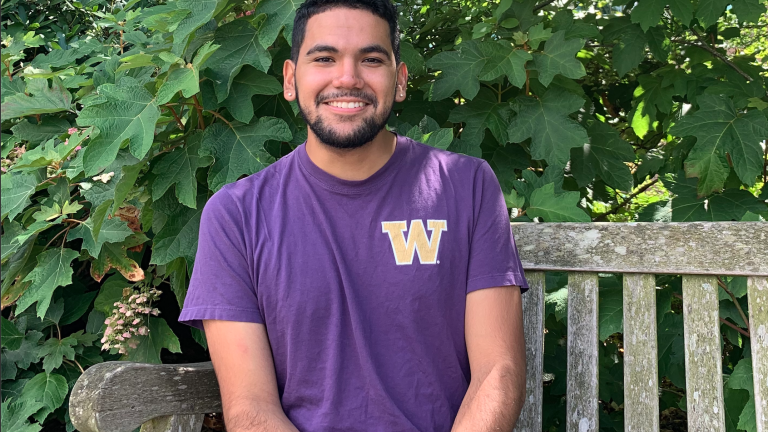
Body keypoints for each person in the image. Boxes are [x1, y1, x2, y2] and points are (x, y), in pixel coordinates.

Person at [178, 0, 529, 430]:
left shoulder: (466, 186)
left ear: (399, 81)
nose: (347, 78)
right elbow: (251, 408)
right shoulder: (236, 216)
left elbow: (498, 373)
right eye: (324, 58)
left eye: (372, 59)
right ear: (291, 79)